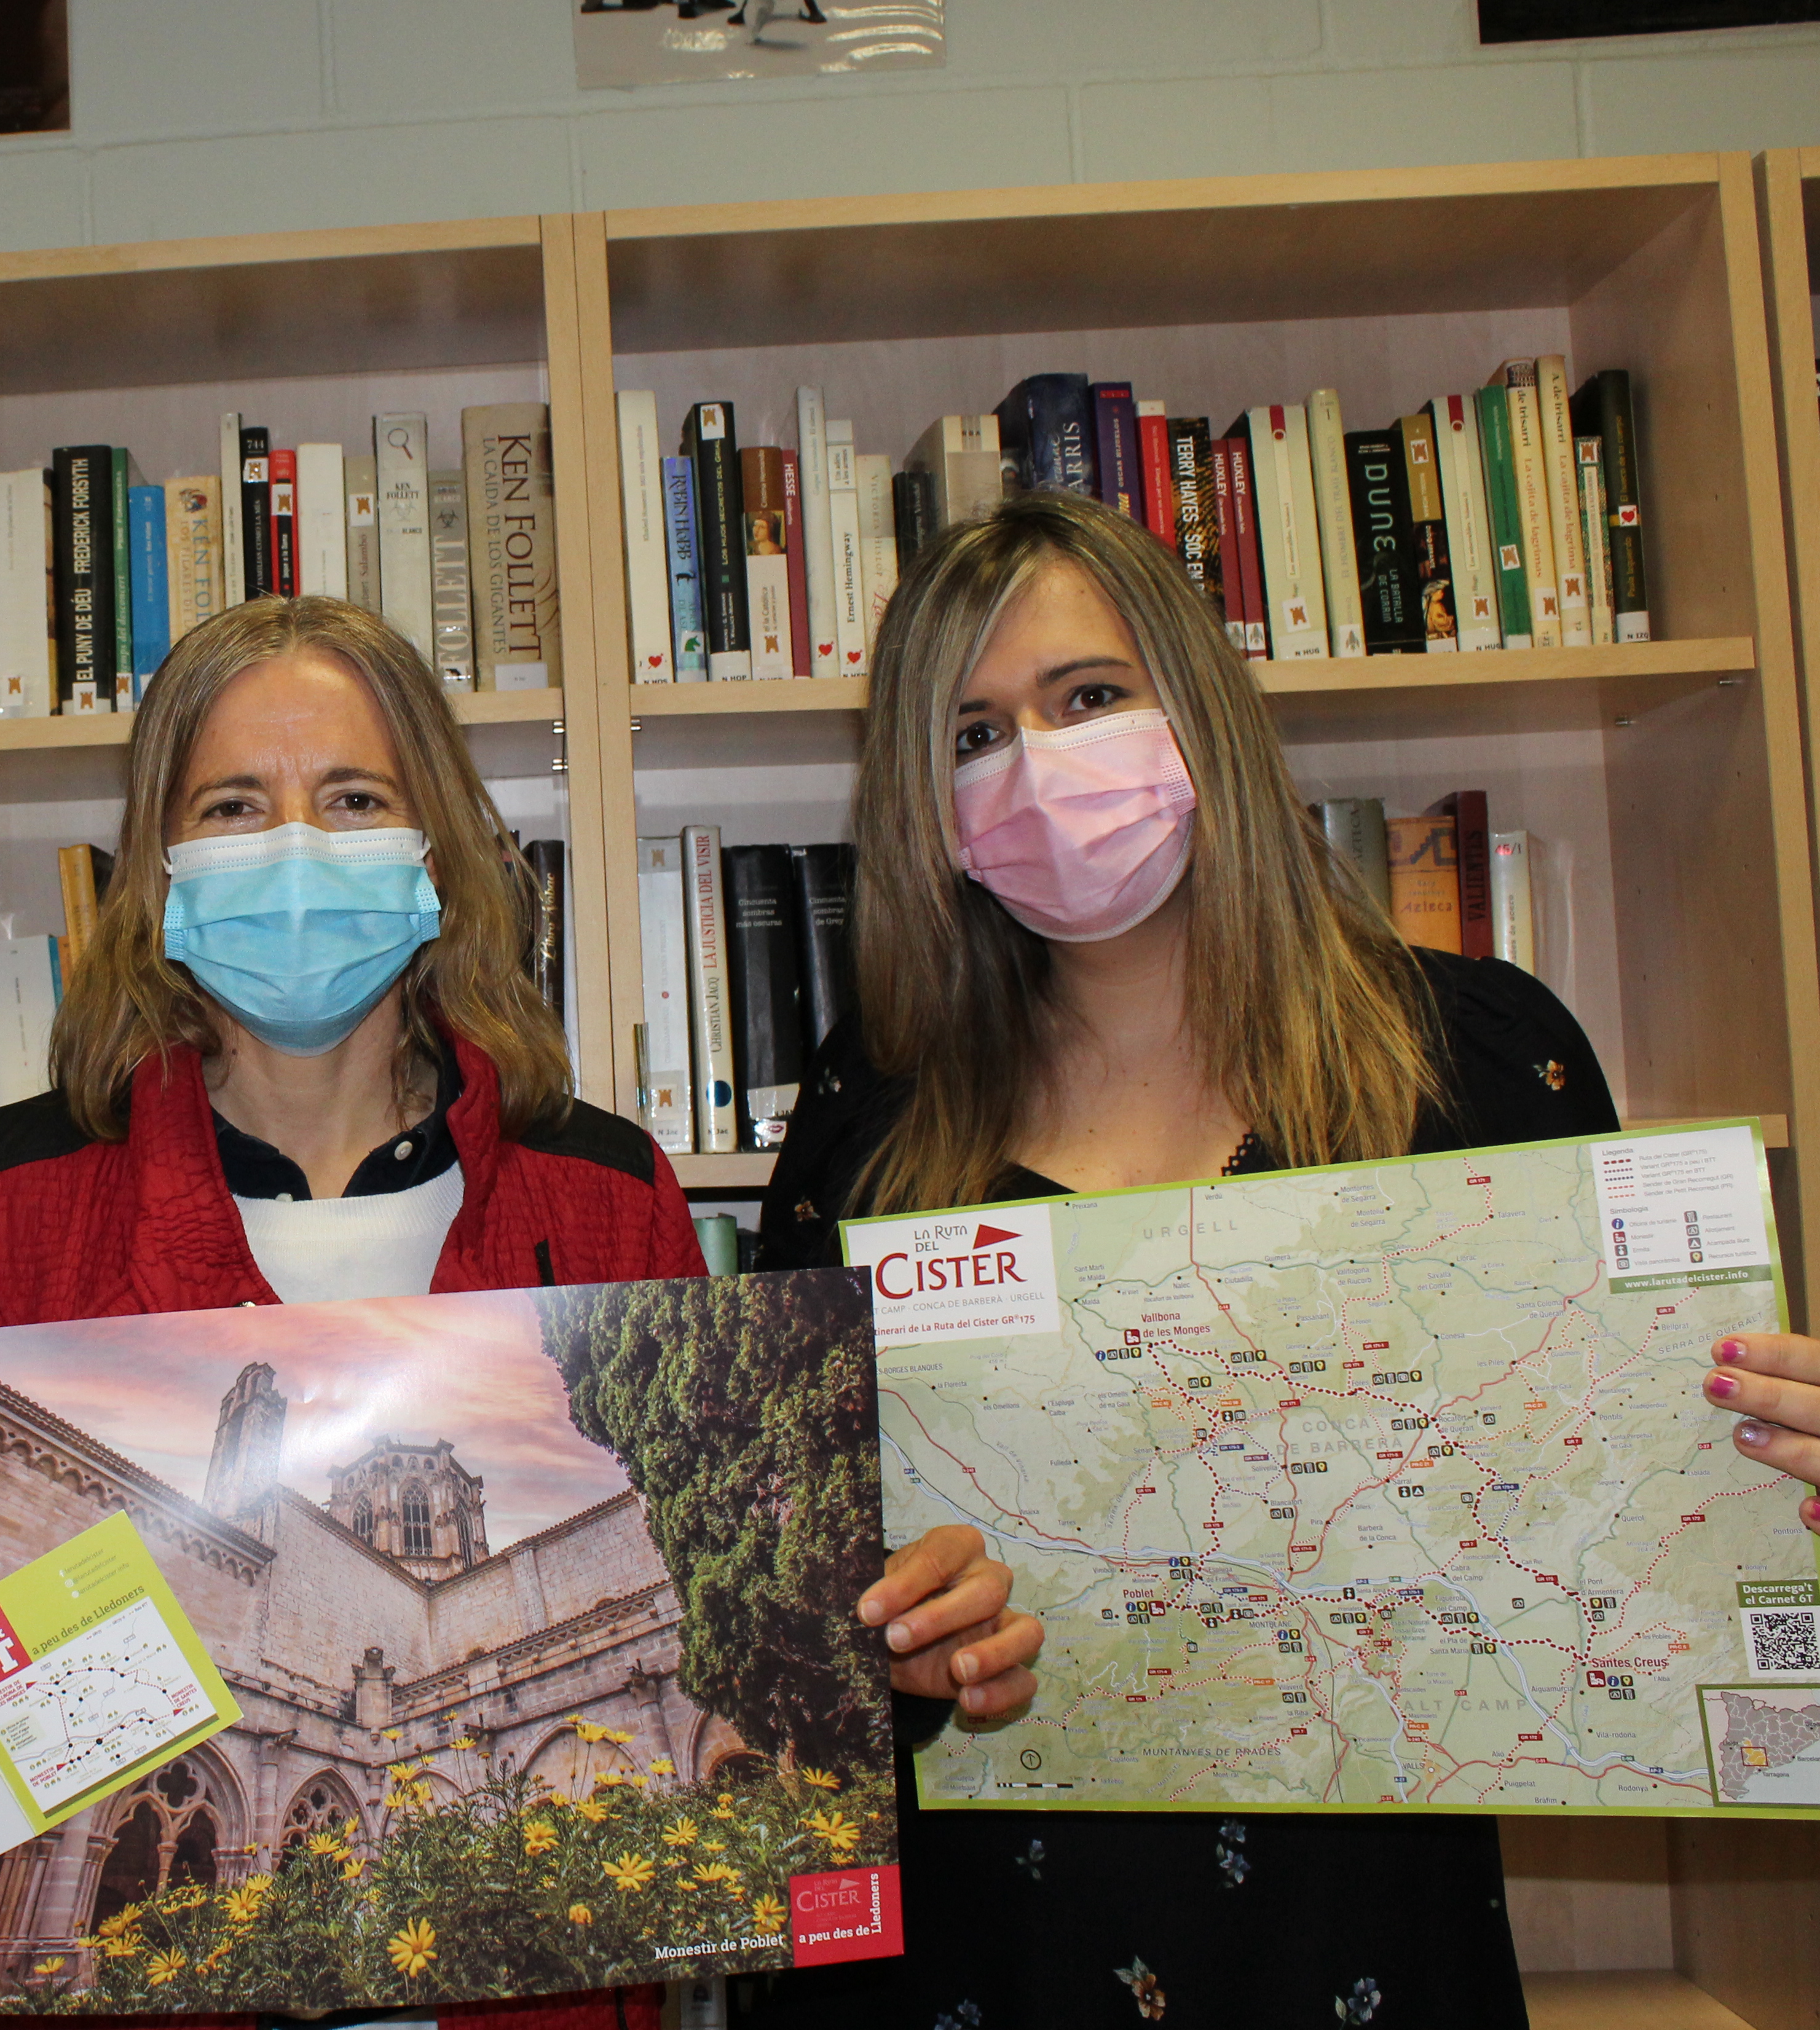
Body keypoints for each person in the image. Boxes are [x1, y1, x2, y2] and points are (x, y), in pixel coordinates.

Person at [0, 596, 1043, 2030]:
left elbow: (739, 1583)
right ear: (158, 864)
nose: (296, 846)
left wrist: (880, 1649)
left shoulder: (603, 1191)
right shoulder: (1, 1199)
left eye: (353, 798)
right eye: (234, 805)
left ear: (437, 846)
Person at [748, 488, 1820, 2024]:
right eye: (972, 732)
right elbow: (789, 1610)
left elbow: (1619, 1526)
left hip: (1358, 1954)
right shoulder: (874, 1111)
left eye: (1088, 697)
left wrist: (1757, 1474)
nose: (1035, 765)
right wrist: (887, 1644)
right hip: (985, 1959)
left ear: (1201, 706)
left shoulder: (1476, 1058)